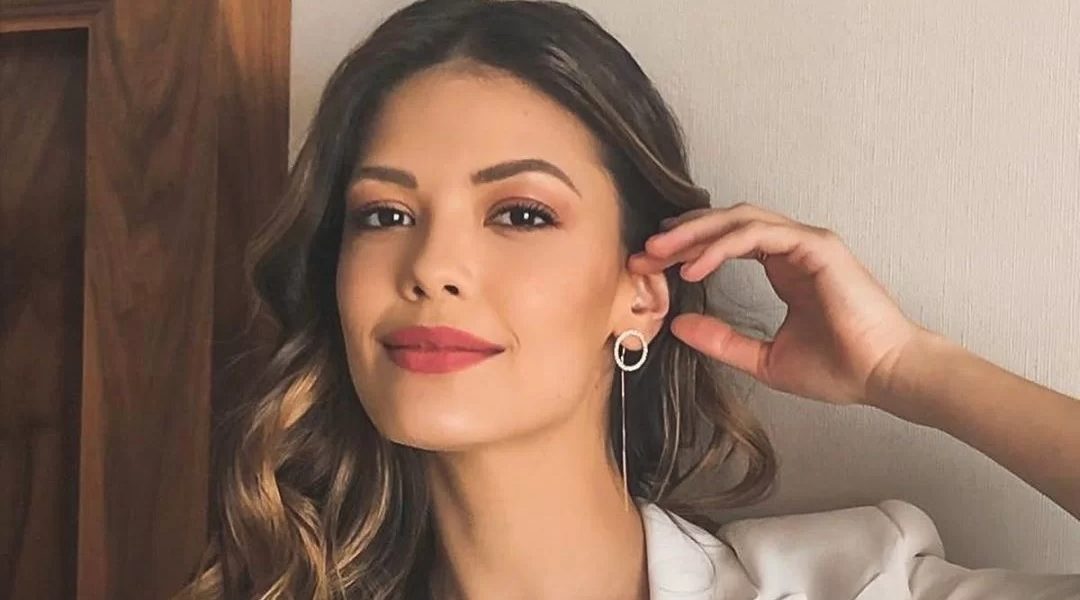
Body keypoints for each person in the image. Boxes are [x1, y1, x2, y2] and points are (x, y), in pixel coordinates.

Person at [176, 0, 1080, 598]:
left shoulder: (848, 588)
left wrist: (909, 368)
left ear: (641, 297)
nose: (432, 266)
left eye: (520, 213)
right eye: (384, 214)